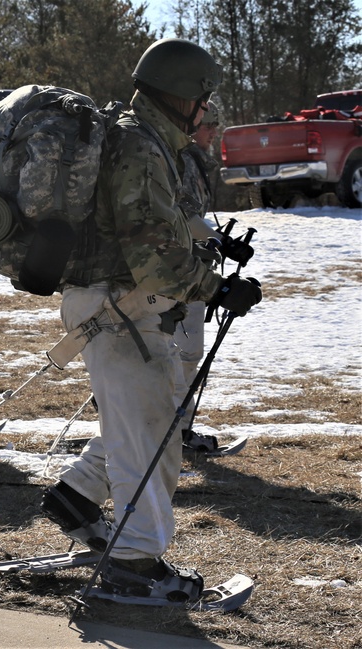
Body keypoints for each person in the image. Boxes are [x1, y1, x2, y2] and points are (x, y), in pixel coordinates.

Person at [40, 39, 262, 603]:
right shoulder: (139, 147)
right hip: (118, 308)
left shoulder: (140, 139)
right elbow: (153, 257)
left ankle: (81, 503)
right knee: (153, 435)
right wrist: (217, 286)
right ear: (183, 96)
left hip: (114, 305)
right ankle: (134, 565)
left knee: (140, 426)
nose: (206, 111)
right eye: (202, 99)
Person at [176, 99, 224, 452]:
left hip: (186, 271)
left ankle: (175, 426)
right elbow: (183, 216)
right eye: (209, 127)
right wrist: (214, 239)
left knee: (183, 353)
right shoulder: (185, 162)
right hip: (181, 274)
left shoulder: (188, 160)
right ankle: (175, 429)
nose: (213, 134)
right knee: (184, 353)